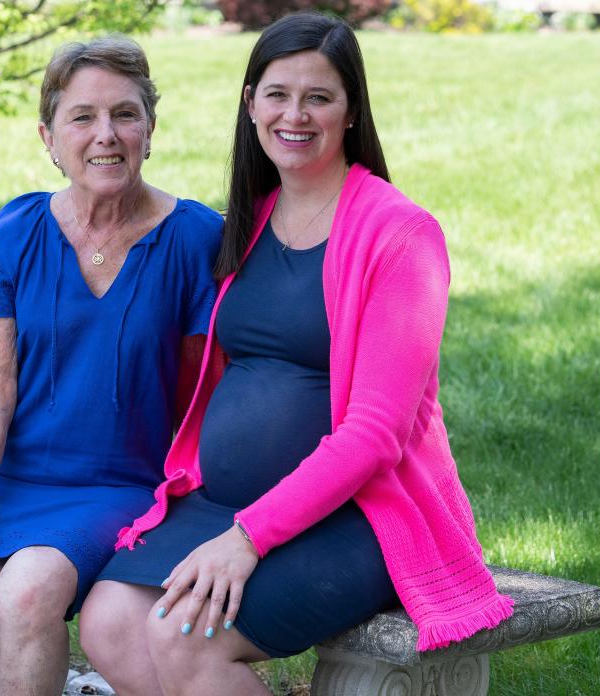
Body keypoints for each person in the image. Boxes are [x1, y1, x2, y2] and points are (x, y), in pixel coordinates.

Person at [80, 12, 515, 696]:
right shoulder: (248, 221)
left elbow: (375, 436)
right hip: (225, 503)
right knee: (107, 623)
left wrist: (248, 538)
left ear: (350, 113)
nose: (296, 114)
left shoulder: (401, 236)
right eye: (278, 94)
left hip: (360, 517)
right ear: (250, 102)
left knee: (181, 637)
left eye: (320, 97)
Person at [0, 36, 223, 696]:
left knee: (27, 591)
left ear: (151, 127)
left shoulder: (196, 238)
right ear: (49, 137)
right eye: (82, 117)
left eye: (125, 114)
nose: (105, 135)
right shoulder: (17, 229)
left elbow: (203, 397)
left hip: (120, 481)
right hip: (10, 477)